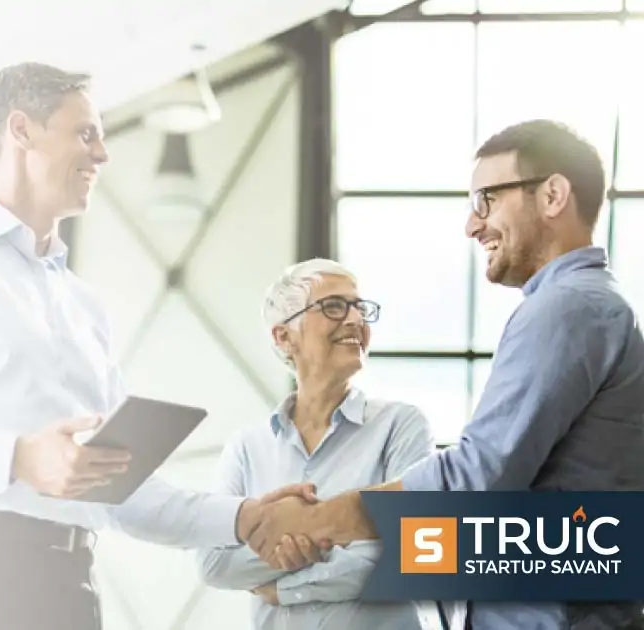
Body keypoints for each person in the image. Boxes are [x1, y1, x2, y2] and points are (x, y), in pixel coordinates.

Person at [0, 61, 308, 630]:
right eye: (86, 133)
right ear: (22, 130)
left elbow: (120, 493)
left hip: (65, 586)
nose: (103, 154)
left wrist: (243, 518)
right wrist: (17, 458)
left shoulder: (82, 306)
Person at [239, 120, 644, 629]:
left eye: (486, 200)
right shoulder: (583, 308)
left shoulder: (567, 309)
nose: (473, 226)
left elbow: (477, 478)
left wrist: (319, 522)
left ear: (553, 195)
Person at [197, 258, 433, 630]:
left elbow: (418, 548)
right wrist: (334, 544)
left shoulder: (400, 426)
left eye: (360, 308)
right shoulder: (246, 449)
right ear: (284, 337)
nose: (356, 320)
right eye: (335, 307)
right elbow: (214, 562)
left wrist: (286, 580)